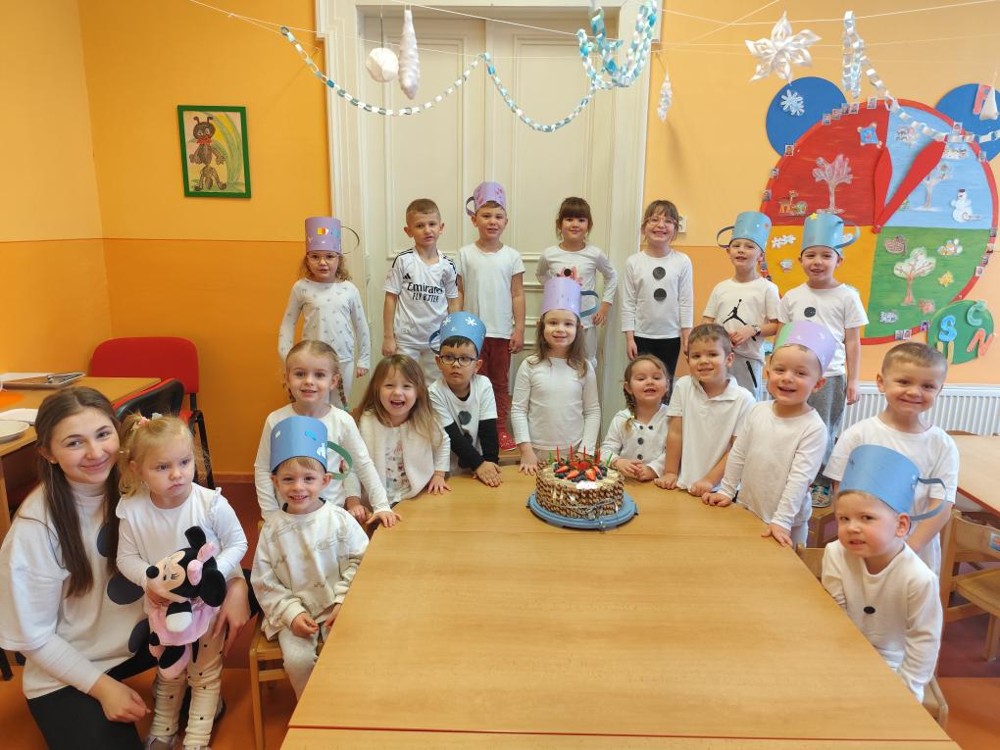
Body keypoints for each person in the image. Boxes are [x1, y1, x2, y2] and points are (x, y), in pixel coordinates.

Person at [0, 387, 249, 750]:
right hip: (71, 665)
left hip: (144, 638)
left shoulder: (143, 480)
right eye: (74, 443)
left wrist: (238, 585)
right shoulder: (35, 527)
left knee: (253, 584)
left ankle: (190, 682)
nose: (95, 452)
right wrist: (103, 689)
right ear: (47, 453)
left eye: (103, 434)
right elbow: (33, 638)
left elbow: (203, 536)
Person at [116, 414, 249, 750]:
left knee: (204, 672)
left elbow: (238, 543)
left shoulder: (210, 503)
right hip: (163, 608)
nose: (177, 474)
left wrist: (213, 574)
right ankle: (163, 729)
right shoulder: (132, 510)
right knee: (169, 670)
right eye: (162, 467)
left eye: (185, 462)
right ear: (136, 470)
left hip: (206, 608)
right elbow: (126, 559)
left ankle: (197, 739)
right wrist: (150, 582)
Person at [251, 416, 370, 699]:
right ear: (275, 482)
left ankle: (344, 704)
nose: (298, 487)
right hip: (294, 614)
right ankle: (311, 708)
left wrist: (344, 601)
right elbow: (264, 581)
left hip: (338, 606)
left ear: (325, 480)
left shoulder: (340, 520)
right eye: (288, 479)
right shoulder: (272, 530)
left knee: (350, 653)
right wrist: (292, 614)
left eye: (308, 478)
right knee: (297, 661)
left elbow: (363, 562)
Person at [822, 444, 944, 702]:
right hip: (842, 651)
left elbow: (924, 639)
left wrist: (908, 690)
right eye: (844, 518)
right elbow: (835, 616)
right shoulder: (835, 554)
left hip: (893, 665)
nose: (852, 527)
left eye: (866, 518)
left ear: (901, 525)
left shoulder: (919, 579)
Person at [824, 342, 957, 574]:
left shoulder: (942, 445)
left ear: (939, 390)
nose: (914, 392)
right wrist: (857, 531)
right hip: (860, 545)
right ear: (881, 382)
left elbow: (942, 504)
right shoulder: (858, 435)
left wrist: (909, 548)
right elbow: (840, 491)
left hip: (915, 554)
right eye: (904, 382)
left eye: (927, 386)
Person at [703, 321, 831, 547]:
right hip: (748, 509)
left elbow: (800, 479)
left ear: (818, 384)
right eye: (780, 370)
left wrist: (782, 520)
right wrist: (727, 491)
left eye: (801, 373)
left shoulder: (813, 428)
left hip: (787, 524)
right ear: (768, 372)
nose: (787, 378)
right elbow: (739, 453)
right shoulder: (757, 410)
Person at [254, 340, 397, 528]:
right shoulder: (275, 420)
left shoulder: (342, 421)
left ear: (334, 381)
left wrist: (381, 505)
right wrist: (270, 514)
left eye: (319, 375)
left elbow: (363, 463)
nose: (309, 381)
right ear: (287, 378)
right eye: (300, 374)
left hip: (331, 517)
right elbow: (263, 469)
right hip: (288, 518)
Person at [778, 212, 868, 507]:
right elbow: (782, 336)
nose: (817, 261)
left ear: (839, 260)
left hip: (829, 376)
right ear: (801, 260)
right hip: (793, 375)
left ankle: (820, 481)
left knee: (823, 429)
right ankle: (792, 476)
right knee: (791, 425)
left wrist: (853, 379)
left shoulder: (847, 297)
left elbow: (852, 341)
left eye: (826, 255)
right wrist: (774, 370)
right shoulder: (792, 296)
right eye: (811, 255)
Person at [456, 181, 525, 452]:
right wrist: (456, 326)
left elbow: (517, 294)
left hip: (501, 333)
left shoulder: (512, 256)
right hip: (472, 334)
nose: (492, 221)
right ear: (474, 219)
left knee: (499, 383)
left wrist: (519, 329)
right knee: (471, 382)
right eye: (486, 215)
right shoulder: (464, 254)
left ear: (506, 221)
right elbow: (458, 292)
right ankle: (473, 428)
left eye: (498, 216)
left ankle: (498, 429)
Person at [278, 216, 371, 408]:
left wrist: (364, 358)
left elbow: (361, 325)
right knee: (313, 405)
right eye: (315, 257)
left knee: (339, 407)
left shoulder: (349, 289)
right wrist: (286, 356)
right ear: (307, 260)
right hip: (311, 359)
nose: (322, 262)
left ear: (339, 259)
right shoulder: (301, 288)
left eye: (329, 256)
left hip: (343, 358)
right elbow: (288, 322)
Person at [512, 276, 601, 474]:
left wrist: (585, 451)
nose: (560, 329)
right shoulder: (530, 365)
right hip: (535, 456)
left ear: (578, 329)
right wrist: (526, 451)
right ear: (541, 326)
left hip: (574, 454)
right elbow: (518, 410)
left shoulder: (584, 367)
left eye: (568, 324)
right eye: (553, 322)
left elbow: (592, 411)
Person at [654, 324, 754, 496]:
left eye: (712, 354)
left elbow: (737, 449)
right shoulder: (683, 386)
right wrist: (670, 472)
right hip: (682, 484)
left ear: (729, 359)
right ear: (688, 361)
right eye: (696, 356)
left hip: (720, 491)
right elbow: (675, 433)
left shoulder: (744, 399)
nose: (703, 361)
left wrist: (709, 481)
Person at [353, 354, 451, 505]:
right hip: (377, 500)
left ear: (418, 391)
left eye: (406, 386)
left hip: (416, 495)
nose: (398, 392)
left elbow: (443, 442)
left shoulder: (424, 420)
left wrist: (439, 474)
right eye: (389, 385)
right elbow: (353, 462)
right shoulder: (366, 421)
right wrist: (354, 501)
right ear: (377, 389)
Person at [703, 211, 780, 400]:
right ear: (728, 252)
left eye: (749, 246)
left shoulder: (767, 288)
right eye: (736, 245)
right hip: (719, 359)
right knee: (718, 402)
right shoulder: (721, 288)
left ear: (760, 255)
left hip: (749, 360)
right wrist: (717, 337)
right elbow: (707, 321)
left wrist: (753, 329)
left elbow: (777, 325)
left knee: (747, 405)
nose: (741, 250)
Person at [535, 196, 618, 372]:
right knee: (558, 359)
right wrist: (556, 289)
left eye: (581, 220)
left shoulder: (595, 254)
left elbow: (612, 276)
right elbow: (540, 274)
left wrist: (604, 307)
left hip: (586, 321)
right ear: (559, 224)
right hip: (559, 321)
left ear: (589, 225)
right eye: (569, 219)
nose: (575, 224)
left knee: (587, 361)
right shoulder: (549, 254)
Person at [382, 198, 460, 383]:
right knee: (404, 381)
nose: (427, 230)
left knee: (435, 384)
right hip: (406, 339)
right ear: (408, 231)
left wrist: (453, 334)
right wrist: (388, 337)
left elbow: (453, 302)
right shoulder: (403, 261)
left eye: (432, 224)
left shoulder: (448, 265)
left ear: (441, 227)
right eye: (419, 226)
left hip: (437, 338)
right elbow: (390, 299)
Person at [621, 199, 693, 384]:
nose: (661, 225)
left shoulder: (682, 261)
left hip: (671, 337)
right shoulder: (633, 262)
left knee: (665, 385)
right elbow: (628, 303)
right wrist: (629, 338)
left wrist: (687, 336)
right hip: (641, 336)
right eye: (654, 220)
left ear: (675, 230)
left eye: (668, 221)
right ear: (644, 227)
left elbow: (686, 301)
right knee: (641, 384)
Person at [428, 312, 502, 487]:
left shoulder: (483, 385)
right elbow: (452, 435)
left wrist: (490, 463)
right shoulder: (434, 392)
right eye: (448, 357)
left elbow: (488, 429)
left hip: (479, 466)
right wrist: (479, 465)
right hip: (446, 470)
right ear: (438, 362)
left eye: (464, 359)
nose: (456, 364)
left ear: (477, 365)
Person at [600, 355, 669, 482]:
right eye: (641, 378)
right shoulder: (621, 418)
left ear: (667, 385)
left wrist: (653, 469)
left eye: (656, 377)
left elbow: (675, 453)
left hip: (659, 485)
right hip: (626, 484)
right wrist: (617, 461)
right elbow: (605, 451)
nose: (650, 382)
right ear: (628, 388)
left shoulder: (673, 418)